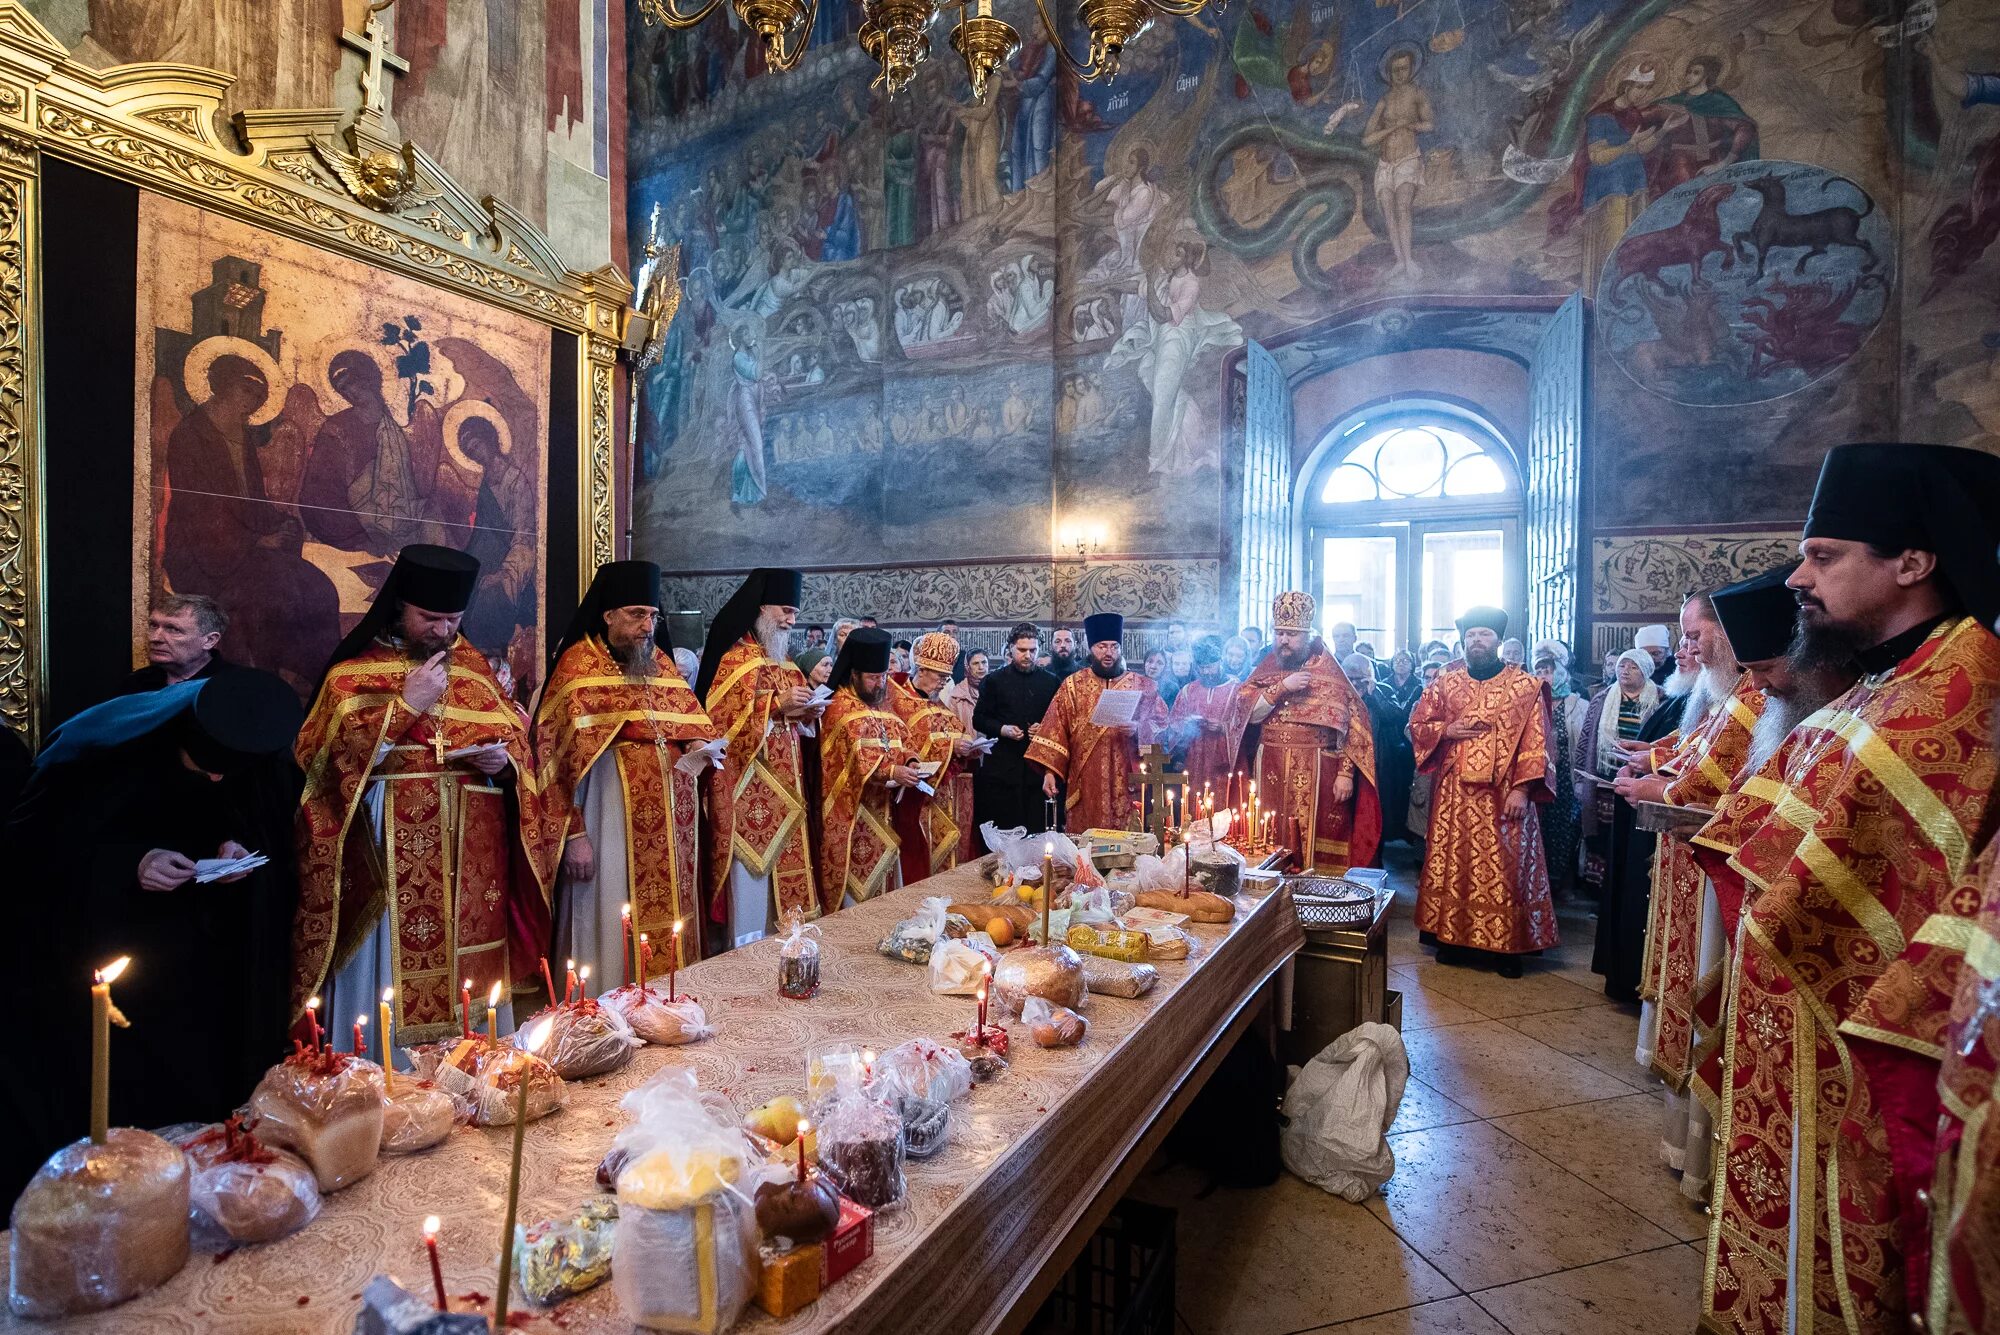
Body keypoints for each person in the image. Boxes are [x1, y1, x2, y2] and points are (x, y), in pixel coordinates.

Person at [1695, 444, 2000, 1335]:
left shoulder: (1964, 675)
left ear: (1913, 561)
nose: (1798, 576)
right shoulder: (1889, 677)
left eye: (1824, 555)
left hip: (1850, 1040)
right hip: (1798, 1036)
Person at [0, 670, 302, 1200]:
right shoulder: (98, 754)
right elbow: (35, 857)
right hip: (114, 954)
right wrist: (130, 865)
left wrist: (234, 847)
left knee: (208, 1079)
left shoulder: (251, 758)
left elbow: (258, 820)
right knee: (132, 1089)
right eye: (201, 768)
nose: (213, 781)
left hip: (208, 958)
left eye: (224, 774)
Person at [292, 545, 552, 1049]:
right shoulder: (352, 674)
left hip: (472, 856)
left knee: (468, 976)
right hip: (389, 847)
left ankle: (466, 1077)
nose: (442, 631)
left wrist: (504, 768)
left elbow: (518, 751)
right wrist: (406, 704)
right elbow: (319, 767)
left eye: (452, 619)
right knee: (391, 962)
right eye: (429, 618)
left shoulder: (475, 670)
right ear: (399, 608)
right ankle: (380, 1076)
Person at [535, 561, 719, 993]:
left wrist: (693, 743)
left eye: (652, 616)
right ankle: (604, 1005)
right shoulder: (579, 667)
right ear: (608, 615)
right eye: (637, 614)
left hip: (672, 832)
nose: (647, 626)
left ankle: (668, 999)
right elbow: (552, 765)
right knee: (609, 909)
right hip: (606, 820)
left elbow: (692, 722)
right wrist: (574, 836)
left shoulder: (659, 664)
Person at [1407, 607, 1557, 978]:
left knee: (1506, 866)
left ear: (1499, 641)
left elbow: (1537, 741)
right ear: (1463, 641)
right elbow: (1418, 723)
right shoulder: (1446, 683)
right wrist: (1447, 730)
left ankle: (1507, 948)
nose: (1477, 640)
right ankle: (1452, 940)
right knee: (1454, 864)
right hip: (1454, 795)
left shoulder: (1524, 687)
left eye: (1485, 634)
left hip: (1503, 793)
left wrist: (1522, 790)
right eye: (1471, 635)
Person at [696, 568, 822, 947]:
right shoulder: (735, 659)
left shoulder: (784, 664)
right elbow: (717, 723)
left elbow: (790, 721)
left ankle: (791, 957)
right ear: (762, 607)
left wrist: (804, 716)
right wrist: (774, 706)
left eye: (795, 614)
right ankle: (745, 960)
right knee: (750, 886)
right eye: (785, 610)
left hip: (789, 794)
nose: (791, 620)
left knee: (786, 894)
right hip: (748, 792)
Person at [1221, 592, 1379, 871]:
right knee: (1268, 830)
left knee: (1313, 842)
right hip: (1268, 763)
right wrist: (1282, 687)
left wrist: (1345, 774)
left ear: (1306, 635)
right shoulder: (1267, 666)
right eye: (1280, 633)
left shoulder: (1328, 670)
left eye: (1292, 634)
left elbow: (1353, 723)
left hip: (1317, 768)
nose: (1284, 640)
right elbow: (1247, 714)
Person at [1026, 612, 1168, 832]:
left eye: (1114, 646)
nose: (1108, 653)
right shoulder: (1073, 686)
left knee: (1129, 846)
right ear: (1090, 648)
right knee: (1087, 843)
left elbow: (1163, 726)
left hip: (1128, 781)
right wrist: (1049, 773)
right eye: (1102, 646)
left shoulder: (1143, 686)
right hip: (1086, 780)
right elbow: (1055, 728)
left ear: (1121, 649)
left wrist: (1139, 730)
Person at [818, 628, 922, 906]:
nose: (880, 684)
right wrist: (891, 771)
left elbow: (903, 737)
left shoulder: (882, 704)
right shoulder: (839, 706)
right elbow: (853, 756)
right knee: (857, 900)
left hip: (886, 811)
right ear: (854, 675)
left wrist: (911, 760)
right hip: (854, 814)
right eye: (873, 677)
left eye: (884, 676)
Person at [889, 632, 980, 881]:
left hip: (946, 796)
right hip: (915, 799)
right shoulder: (898, 699)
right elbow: (906, 743)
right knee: (920, 860)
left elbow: (956, 730)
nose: (944, 682)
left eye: (948, 677)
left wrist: (969, 745)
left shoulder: (937, 704)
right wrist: (952, 745)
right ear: (922, 669)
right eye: (940, 676)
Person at [973, 623, 1061, 832]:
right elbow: (979, 719)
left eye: (1033, 650)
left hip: (1037, 770)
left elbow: (1059, 723)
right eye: (1022, 650)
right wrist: (1003, 729)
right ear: (1010, 648)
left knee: (1037, 833)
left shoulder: (1050, 682)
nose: (1028, 655)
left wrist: (1043, 728)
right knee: (1005, 832)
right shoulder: (994, 681)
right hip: (1003, 771)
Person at [1344, 651, 1412, 852]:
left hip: (1378, 762)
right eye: (1351, 677)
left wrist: (1373, 693)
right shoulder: (1340, 691)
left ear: (1369, 675)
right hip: (1346, 762)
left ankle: (1373, 856)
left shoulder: (1382, 690)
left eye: (1360, 678)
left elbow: (1397, 716)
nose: (1355, 683)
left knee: (1373, 813)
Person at [1534, 650, 1586, 900]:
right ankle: (1538, 879)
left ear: (1560, 672)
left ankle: (1560, 880)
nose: (1543, 675)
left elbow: (1584, 742)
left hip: (1565, 775)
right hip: (1536, 774)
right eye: (1539, 670)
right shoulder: (1530, 700)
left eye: (1548, 670)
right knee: (1539, 827)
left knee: (1565, 828)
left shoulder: (1577, 703)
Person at [1166, 636, 1242, 802]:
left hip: (1223, 761)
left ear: (1220, 661)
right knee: (1195, 805)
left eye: (1210, 667)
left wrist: (1224, 727)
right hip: (1196, 759)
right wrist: (1186, 725)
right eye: (1202, 668)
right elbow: (1173, 724)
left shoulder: (1237, 689)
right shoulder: (1188, 690)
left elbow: (1246, 725)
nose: (1206, 672)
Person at [122, 594, 237, 693]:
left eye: (173, 629)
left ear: (209, 640)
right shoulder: (135, 683)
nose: (155, 638)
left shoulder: (236, 686)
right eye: (153, 626)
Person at [943, 649, 985, 732]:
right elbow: (948, 728)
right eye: (975, 663)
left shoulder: (998, 690)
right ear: (967, 667)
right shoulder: (956, 696)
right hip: (968, 743)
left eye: (984, 662)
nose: (981, 667)